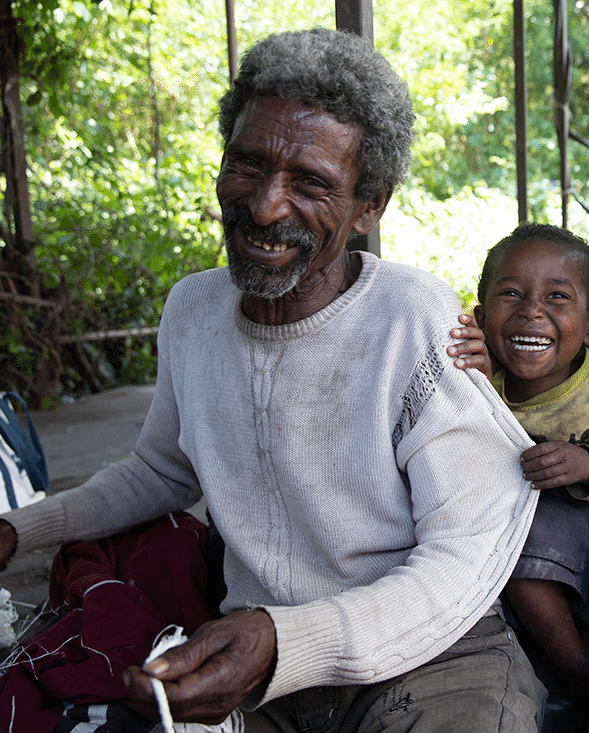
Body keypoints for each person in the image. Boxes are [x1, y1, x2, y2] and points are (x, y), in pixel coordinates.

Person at [0, 29, 545, 732]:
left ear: (369, 205)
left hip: (430, 655)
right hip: (258, 660)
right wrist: (21, 529)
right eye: (248, 164)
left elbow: (465, 552)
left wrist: (286, 642)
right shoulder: (193, 309)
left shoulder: (413, 317)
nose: (263, 206)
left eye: (310, 182)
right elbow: (162, 471)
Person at [473, 223, 589, 710]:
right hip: (527, 552)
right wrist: (469, 383)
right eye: (510, 294)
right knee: (516, 534)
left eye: (556, 297)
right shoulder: (474, 384)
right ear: (480, 315)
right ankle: (579, 673)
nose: (531, 311)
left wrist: (588, 465)